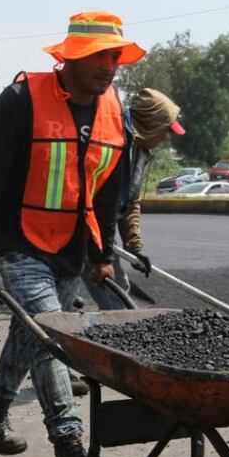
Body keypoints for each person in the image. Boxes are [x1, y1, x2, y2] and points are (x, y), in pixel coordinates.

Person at [0, 11, 144, 457]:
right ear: (72, 57)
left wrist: (102, 255)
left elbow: (105, 190)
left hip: (72, 248)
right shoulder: (22, 100)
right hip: (20, 240)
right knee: (53, 336)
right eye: (99, 56)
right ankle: (69, 445)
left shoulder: (113, 110)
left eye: (114, 57)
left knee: (30, 334)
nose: (109, 66)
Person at [81, 87, 185, 309]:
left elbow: (129, 202)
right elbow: (98, 197)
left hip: (102, 232)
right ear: (150, 125)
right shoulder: (110, 140)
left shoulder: (139, 151)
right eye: (164, 131)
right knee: (114, 299)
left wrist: (134, 245)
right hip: (84, 228)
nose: (164, 138)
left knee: (118, 295)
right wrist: (100, 255)